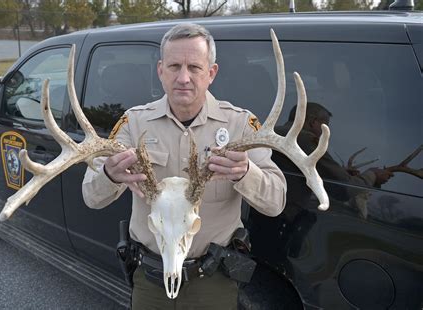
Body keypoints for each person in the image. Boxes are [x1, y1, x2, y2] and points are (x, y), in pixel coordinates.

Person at [82, 23, 286, 309]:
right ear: (160, 70)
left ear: (211, 73)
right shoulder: (134, 123)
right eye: (174, 66)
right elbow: (91, 196)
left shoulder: (242, 125)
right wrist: (109, 175)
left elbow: (276, 202)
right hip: (150, 277)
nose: (183, 78)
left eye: (194, 67)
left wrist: (246, 173)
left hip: (213, 280)